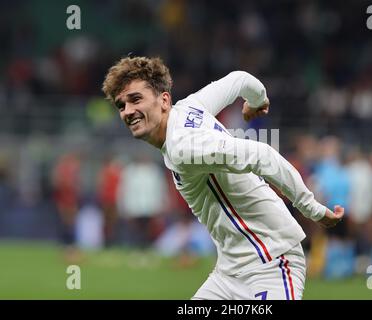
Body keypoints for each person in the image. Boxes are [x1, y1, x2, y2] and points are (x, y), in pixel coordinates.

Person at [102, 56, 344, 300]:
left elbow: (262, 155)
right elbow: (239, 79)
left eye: (135, 99)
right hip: (230, 272)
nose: (128, 111)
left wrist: (311, 208)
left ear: (164, 100)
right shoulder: (190, 107)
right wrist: (257, 101)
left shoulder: (182, 147)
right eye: (121, 105)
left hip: (271, 260)